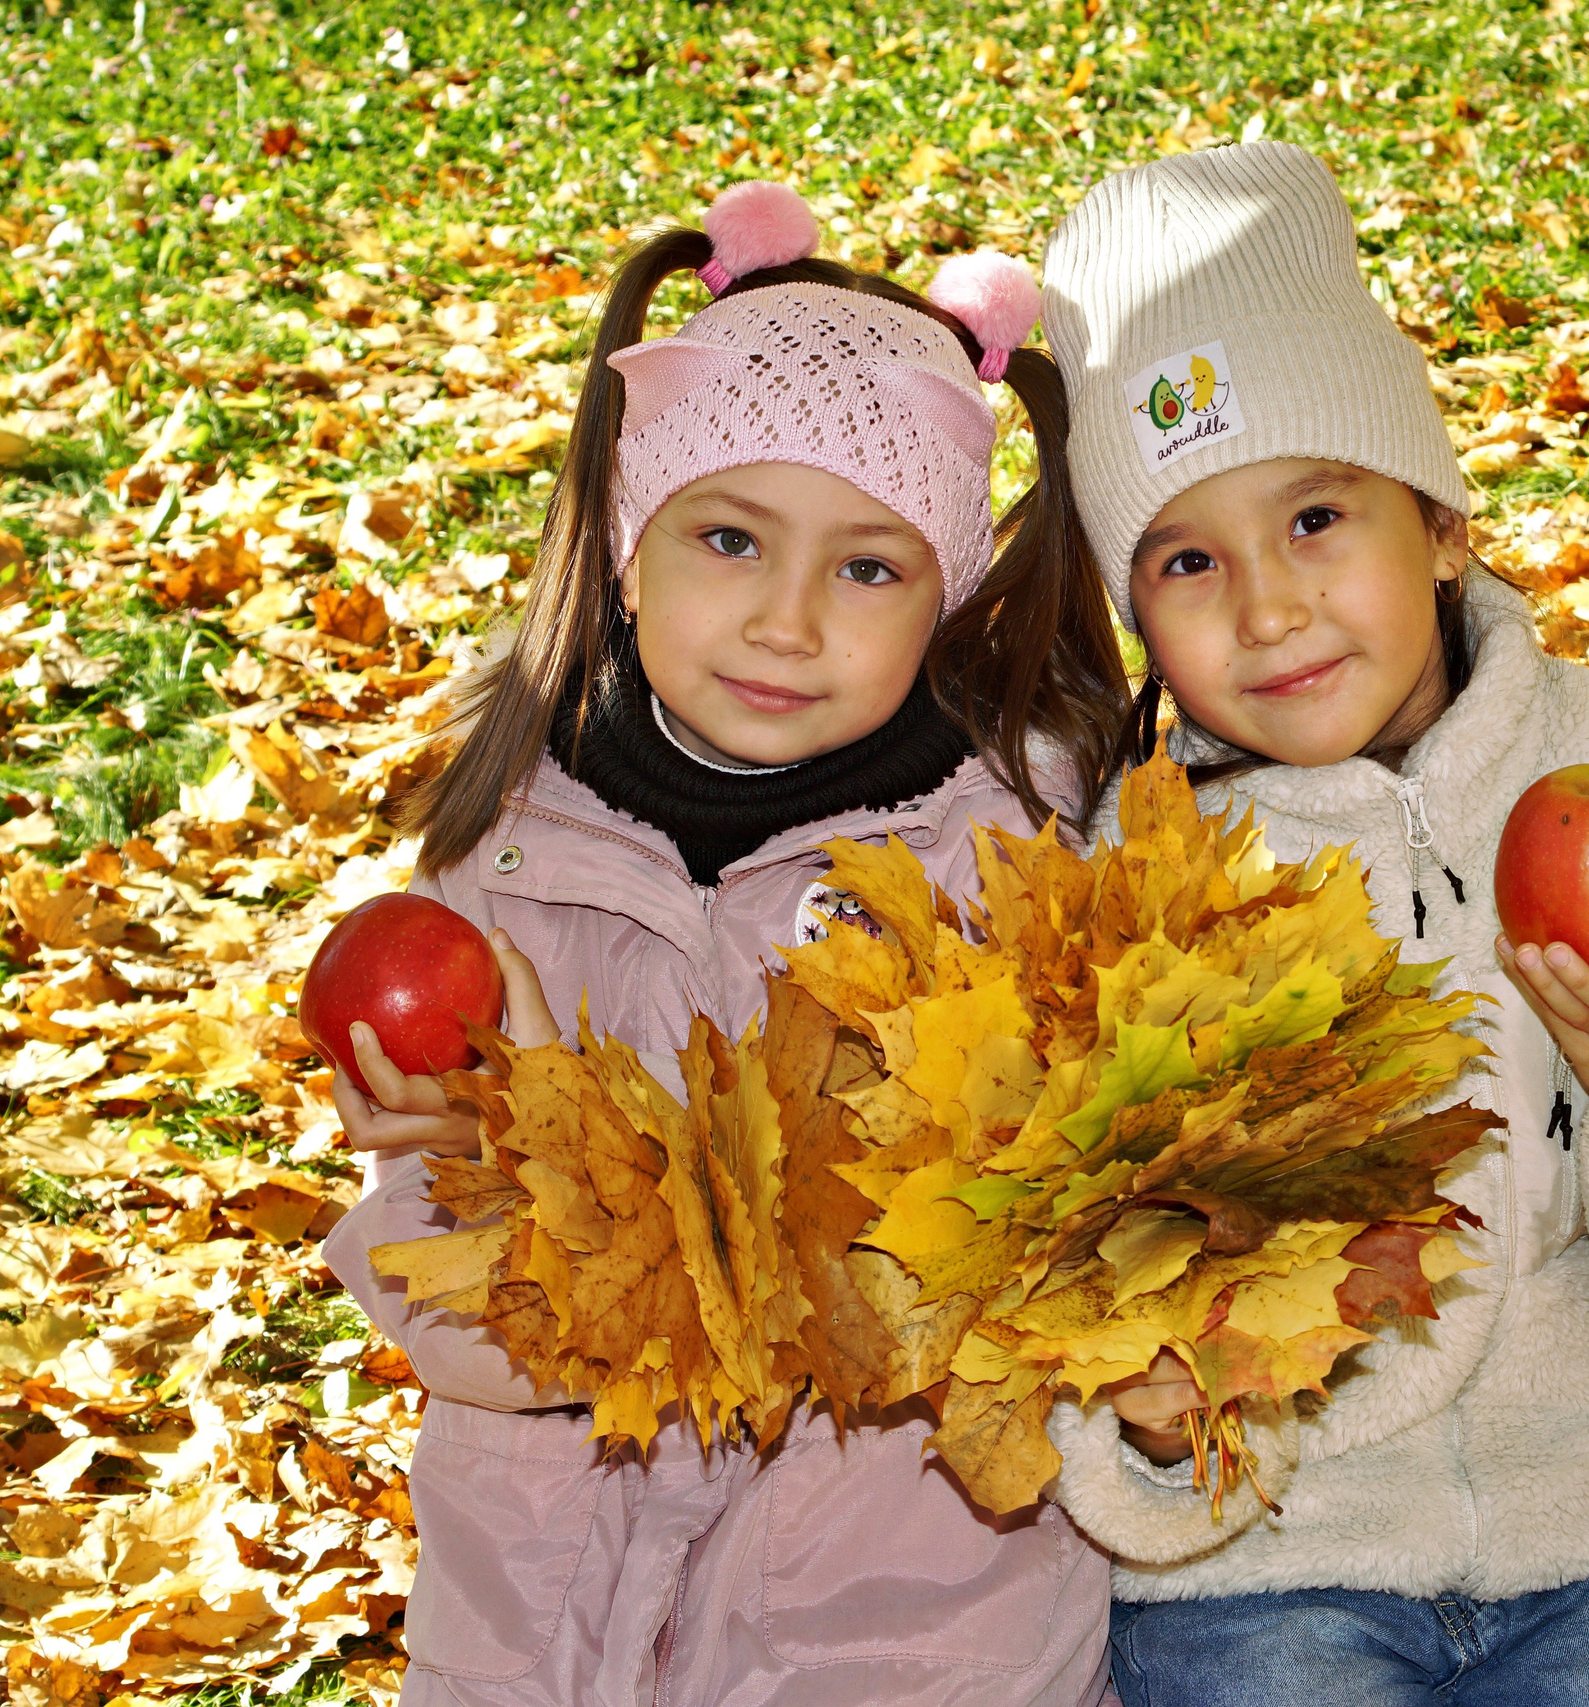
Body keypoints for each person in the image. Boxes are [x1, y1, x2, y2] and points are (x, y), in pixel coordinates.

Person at [1035, 141, 1589, 1707]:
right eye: (1187, 560)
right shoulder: (1139, 878)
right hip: (1256, 1582)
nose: (1271, 606)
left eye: (1318, 518)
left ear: (1439, 524)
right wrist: (1159, 1419)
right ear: (1136, 618)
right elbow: (1054, 1258)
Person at [318, 180, 1131, 1707]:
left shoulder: (1015, 870)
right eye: (732, 539)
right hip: (540, 1633)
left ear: (944, 602)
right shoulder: (504, 862)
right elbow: (468, 1344)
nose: (787, 620)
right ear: (632, 548)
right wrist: (441, 1179)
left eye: (870, 568)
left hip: (903, 1639)